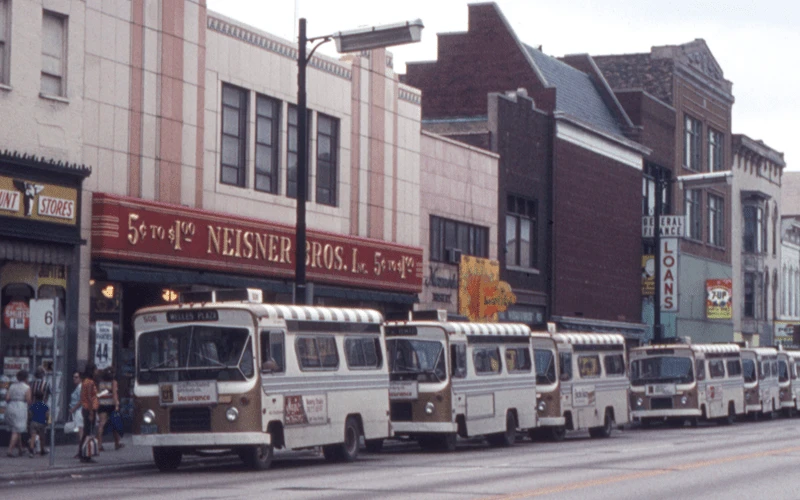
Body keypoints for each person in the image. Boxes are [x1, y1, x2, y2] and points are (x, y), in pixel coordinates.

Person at [96, 366, 124, 451]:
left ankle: (99, 445)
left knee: (101, 424)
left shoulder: (100, 382)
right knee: (115, 424)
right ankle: (117, 443)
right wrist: (116, 405)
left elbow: (98, 394)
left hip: (101, 404)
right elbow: (114, 394)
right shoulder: (113, 382)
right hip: (111, 405)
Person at [5, 370, 31, 458]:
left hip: (11, 406)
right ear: (26, 378)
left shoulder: (12, 386)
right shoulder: (26, 387)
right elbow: (28, 400)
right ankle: (10, 450)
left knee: (17, 428)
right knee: (16, 430)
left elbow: (7, 398)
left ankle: (20, 449)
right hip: (20, 407)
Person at [78, 363, 99, 462]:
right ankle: (86, 454)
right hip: (89, 408)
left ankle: (82, 453)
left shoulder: (84, 381)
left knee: (86, 432)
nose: (96, 372)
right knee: (88, 432)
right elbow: (90, 397)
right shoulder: (90, 382)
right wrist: (91, 412)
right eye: (95, 370)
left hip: (85, 408)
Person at [27, 391, 49, 457]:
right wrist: (48, 422)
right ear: (42, 397)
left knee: (33, 436)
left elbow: (30, 414)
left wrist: (28, 422)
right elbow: (47, 415)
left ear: (35, 397)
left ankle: (31, 450)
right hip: (42, 423)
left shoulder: (33, 405)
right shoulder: (45, 406)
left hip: (33, 422)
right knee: (42, 437)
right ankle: (42, 450)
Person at [69, 371, 85, 446]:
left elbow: (81, 400)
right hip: (77, 411)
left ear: (80, 378)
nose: (74, 378)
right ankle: (81, 446)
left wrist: (73, 409)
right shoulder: (78, 387)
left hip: (79, 411)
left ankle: (82, 447)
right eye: (73, 377)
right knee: (79, 430)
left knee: (80, 430)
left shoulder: (80, 387)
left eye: (76, 377)